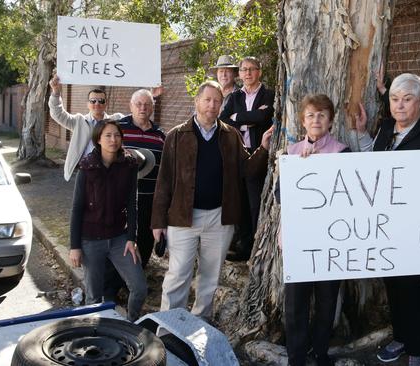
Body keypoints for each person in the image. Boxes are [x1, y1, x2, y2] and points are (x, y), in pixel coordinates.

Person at [151, 80, 273, 318]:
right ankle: (168, 326)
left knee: (210, 277)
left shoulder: (230, 135)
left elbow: (246, 170)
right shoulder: (176, 136)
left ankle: (200, 322)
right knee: (178, 275)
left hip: (219, 218)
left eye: (217, 101)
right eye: (207, 100)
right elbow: (164, 180)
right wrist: (157, 221)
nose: (212, 105)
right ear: (197, 102)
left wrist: (263, 149)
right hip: (183, 218)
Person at [350, 73, 420, 366]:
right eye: (394, 99)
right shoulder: (387, 128)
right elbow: (374, 162)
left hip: (416, 224)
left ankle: (418, 349)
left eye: (407, 99)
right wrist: (364, 133)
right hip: (387, 226)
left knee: (412, 287)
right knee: (393, 283)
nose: (400, 106)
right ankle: (402, 338)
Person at [278, 94, 349, 366]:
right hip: (298, 240)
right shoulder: (291, 153)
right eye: (310, 115)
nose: (316, 120)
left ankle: (320, 352)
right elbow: (279, 196)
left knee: (327, 299)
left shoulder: (342, 152)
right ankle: (296, 355)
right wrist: (300, 171)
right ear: (303, 121)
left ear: (330, 120)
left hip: (332, 239)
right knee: (296, 301)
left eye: (321, 115)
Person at [69, 119, 147, 321]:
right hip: (90, 240)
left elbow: (132, 203)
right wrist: (74, 246)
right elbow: (77, 208)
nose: (114, 140)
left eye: (117, 135)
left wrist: (132, 237)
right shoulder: (87, 167)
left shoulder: (129, 165)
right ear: (98, 140)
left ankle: (131, 324)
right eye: (108, 136)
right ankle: (93, 335)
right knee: (94, 296)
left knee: (139, 287)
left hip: (119, 238)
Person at [103, 89, 166, 300]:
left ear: (152, 108)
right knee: (121, 243)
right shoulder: (118, 130)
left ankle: (132, 284)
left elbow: (164, 169)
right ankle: (110, 291)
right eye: (138, 104)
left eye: (147, 105)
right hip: (120, 198)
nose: (142, 108)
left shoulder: (160, 135)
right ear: (130, 107)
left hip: (149, 198)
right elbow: (104, 157)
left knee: (145, 243)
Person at [220, 56, 275, 261]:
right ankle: (244, 246)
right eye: (244, 70)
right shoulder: (234, 98)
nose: (248, 73)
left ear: (259, 71)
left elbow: (263, 117)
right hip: (239, 154)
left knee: (255, 201)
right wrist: (248, 118)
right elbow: (224, 120)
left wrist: (239, 118)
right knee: (240, 200)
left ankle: (257, 246)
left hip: (260, 152)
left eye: (252, 69)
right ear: (240, 73)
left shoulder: (268, 95)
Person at [48, 75, 125, 181]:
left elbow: (136, 116)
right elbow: (58, 114)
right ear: (88, 104)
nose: (97, 104)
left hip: (109, 171)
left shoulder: (115, 121)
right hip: (84, 171)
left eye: (101, 101)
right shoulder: (79, 121)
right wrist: (56, 93)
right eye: (93, 101)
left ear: (106, 103)